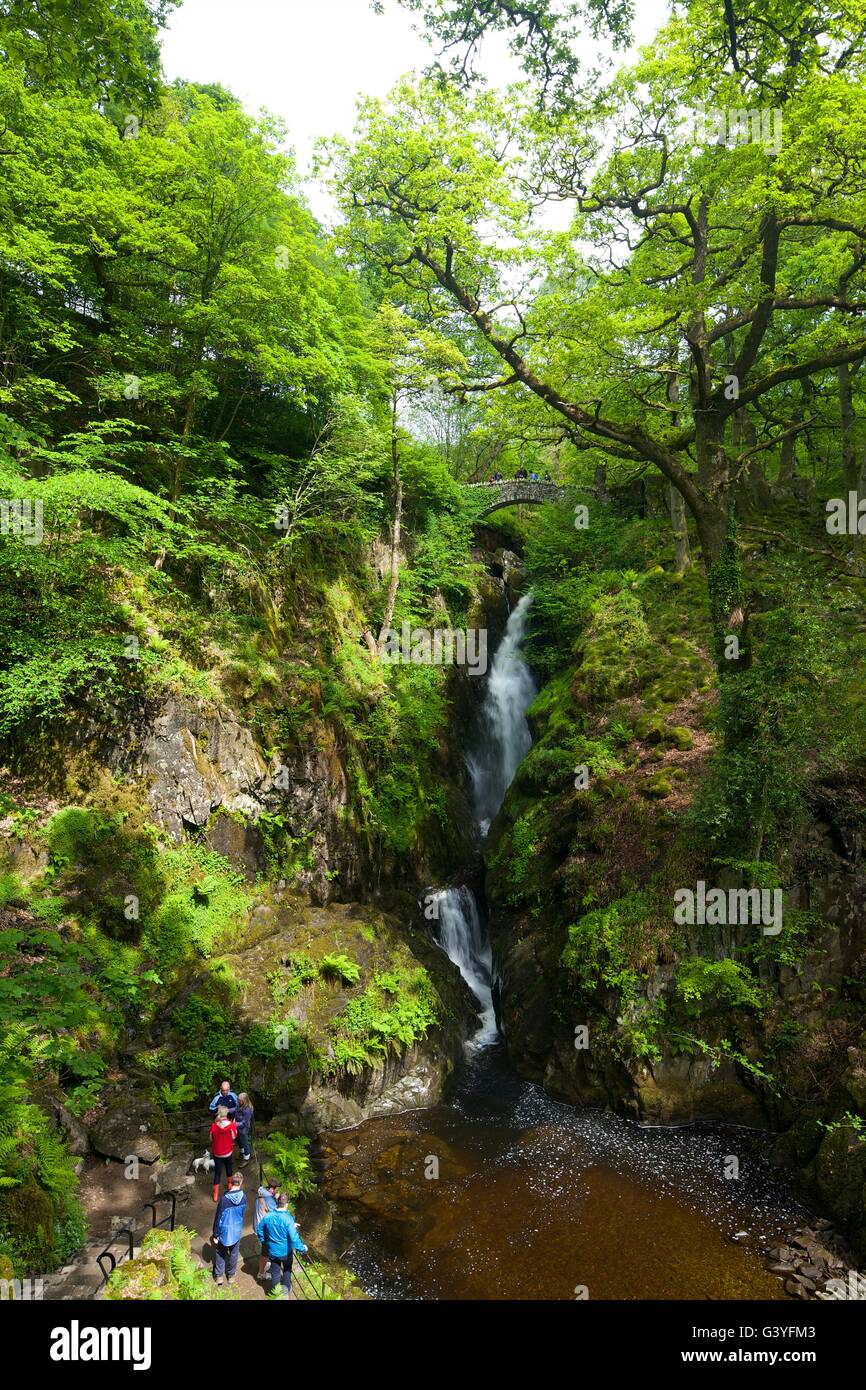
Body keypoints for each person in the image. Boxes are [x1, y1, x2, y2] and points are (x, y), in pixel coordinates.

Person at [260, 1194, 308, 1300]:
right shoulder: (288, 1219)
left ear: (278, 1202)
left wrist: (265, 1241)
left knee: (275, 1272)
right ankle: (285, 1292)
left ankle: (276, 1294)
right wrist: (302, 1249)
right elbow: (294, 1238)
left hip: (272, 1251)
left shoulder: (268, 1216)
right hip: (286, 1252)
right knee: (287, 1269)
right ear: (287, 1204)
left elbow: (260, 1230)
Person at [212, 1172, 246, 1287]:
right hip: (236, 1230)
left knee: (220, 1252)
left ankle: (219, 1276)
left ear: (231, 1182)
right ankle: (231, 1276)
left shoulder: (224, 1199)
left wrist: (215, 1234)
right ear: (241, 1182)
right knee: (234, 1253)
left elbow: (218, 1217)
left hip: (224, 1232)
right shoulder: (244, 1197)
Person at [209, 1105, 237, 1202]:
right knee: (229, 1167)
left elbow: (210, 1138)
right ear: (226, 1113)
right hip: (227, 1152)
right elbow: (234, 1137)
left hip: (217, 1153)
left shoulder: (213, 1126)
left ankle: (216, 1194)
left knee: (217, 1172)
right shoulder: (231, 1125)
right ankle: (229, 1185)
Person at [254, 1177, 281, 1280]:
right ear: (272, 1189)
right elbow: (277, 1213)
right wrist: (278, 1200)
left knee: (266, 1250)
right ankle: (261, 1273)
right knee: (265, 1253)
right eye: (277, 1189)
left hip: (258, 1224)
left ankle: (264, 1266)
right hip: (264, 1230)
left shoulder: (262, 1191)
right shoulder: (269, 1199)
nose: (278, 1191)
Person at [235, 1092, 254, 1163]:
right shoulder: (239, 1104)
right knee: (239, 1141)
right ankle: (242, 1152)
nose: (237, 1101)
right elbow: (235, 1109)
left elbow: (244, 1123)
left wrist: (234, 1124)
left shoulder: (247, 1110)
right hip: (237, 1127)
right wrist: (227, 1110)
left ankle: (246, 1158)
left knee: (245, 1143)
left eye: (239, 1100)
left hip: (243, 1129)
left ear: (244, 1101)